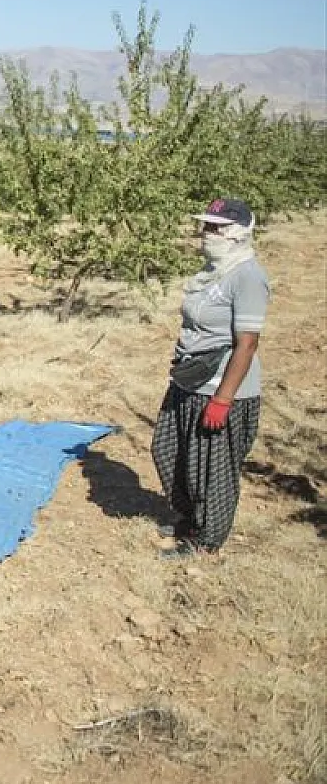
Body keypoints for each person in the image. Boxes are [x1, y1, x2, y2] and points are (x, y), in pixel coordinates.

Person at [152, 198, 269, 559]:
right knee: (167, 450)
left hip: (221, 385)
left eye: (215, 227)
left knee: (212, 469)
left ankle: (206, 541)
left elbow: (246, 345)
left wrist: (223, 399)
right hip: (190, 378)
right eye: (205, 226)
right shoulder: (213, 272)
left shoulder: (248, 277)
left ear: (236, 233)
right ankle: (189, 518)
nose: (206, 233)